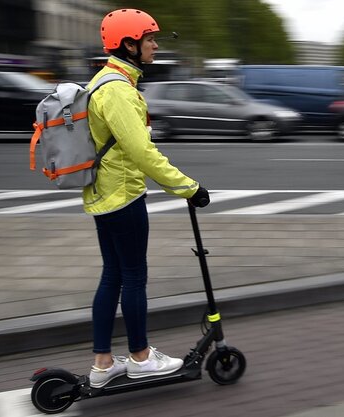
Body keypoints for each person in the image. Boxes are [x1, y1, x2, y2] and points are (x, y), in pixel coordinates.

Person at [84, 8, 211, 388]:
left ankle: (104, 363)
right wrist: (189, 188)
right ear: (128, 44)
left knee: (114, 276)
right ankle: (140, 357)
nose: (155, 46)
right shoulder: (118, 90)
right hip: (122, 196)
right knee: (133, 276)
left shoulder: (105, 81)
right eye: (150, 40)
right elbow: (142, 152)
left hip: (104, 194)